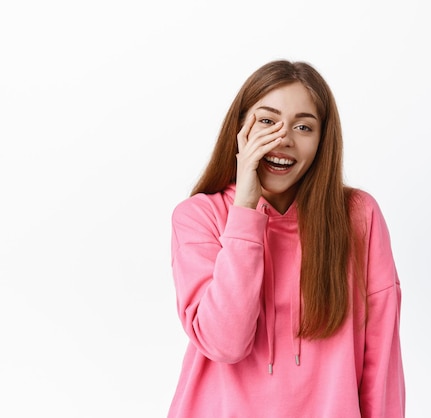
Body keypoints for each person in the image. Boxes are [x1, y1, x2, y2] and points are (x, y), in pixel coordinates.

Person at [168, 60, 405, 417]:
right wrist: (246, 212)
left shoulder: (358, 216)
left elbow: (380, 362)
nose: (283, 139)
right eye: (266, 121)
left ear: (323, 140)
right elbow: (225, 343)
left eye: (304, 127)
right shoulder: (199, 217)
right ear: (240, 130)